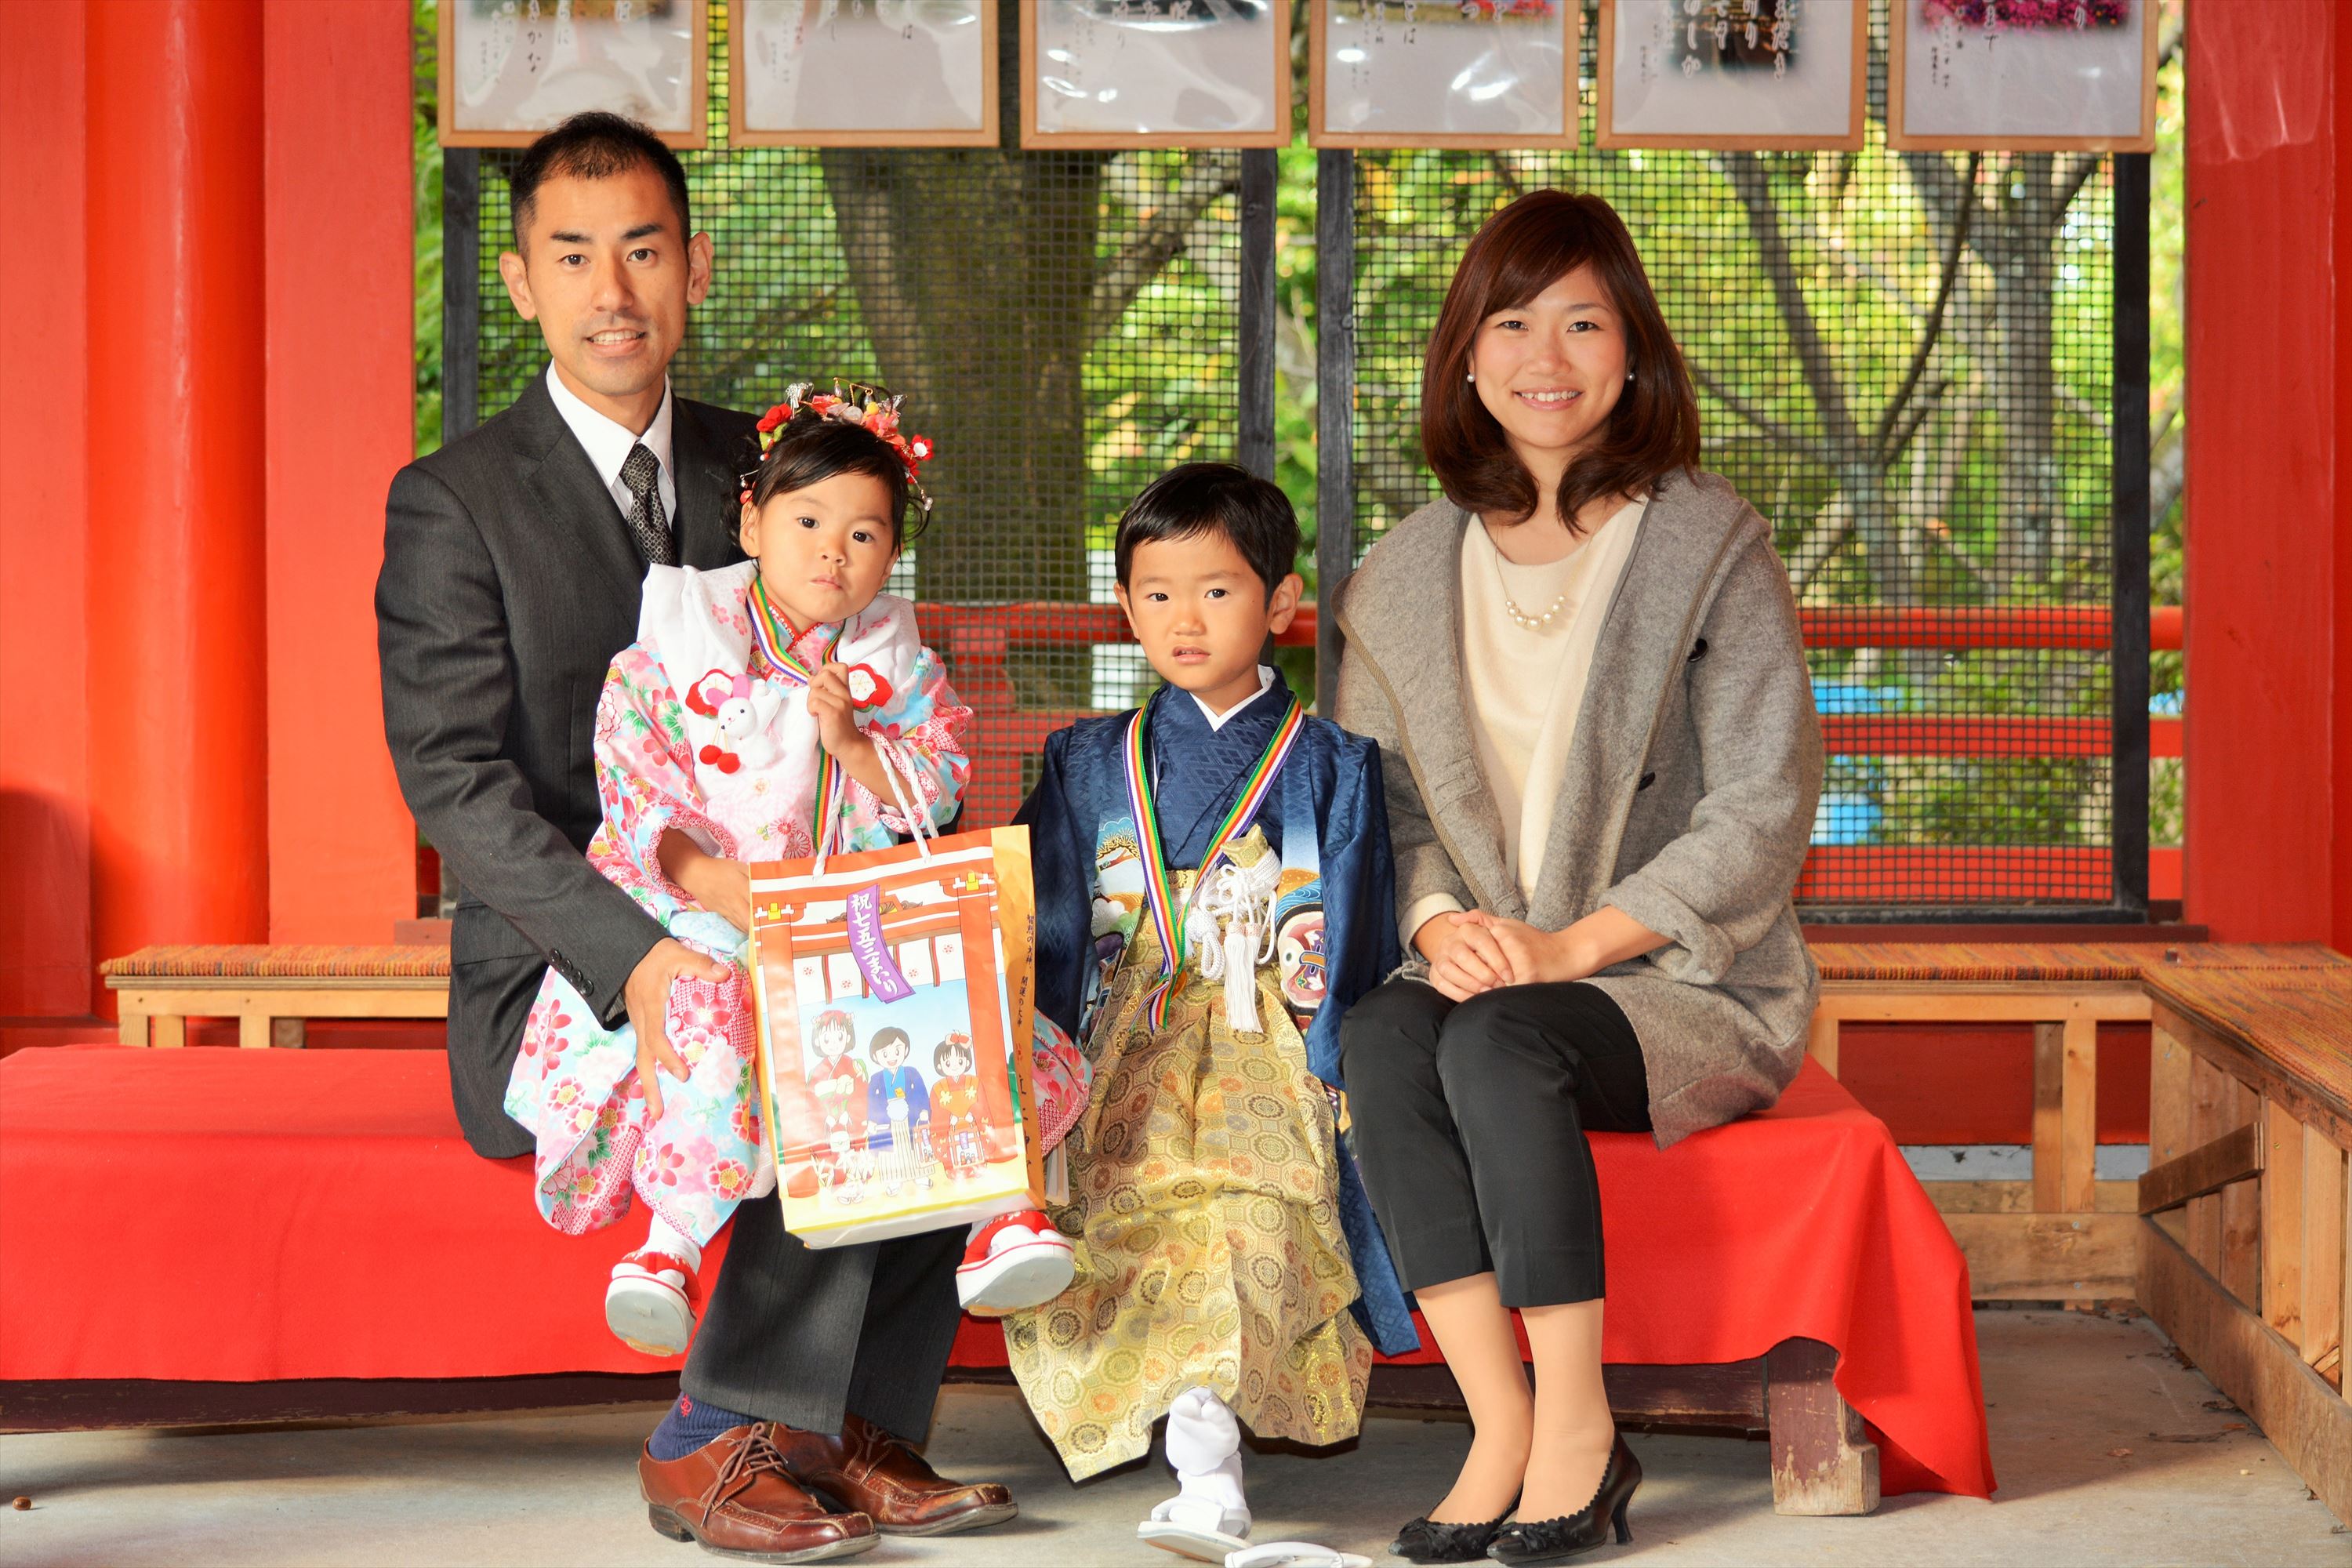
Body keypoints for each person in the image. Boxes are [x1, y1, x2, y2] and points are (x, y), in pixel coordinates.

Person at [378, 114, 1021, 1563]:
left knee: (936, 1002)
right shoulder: (456, 501)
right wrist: (645, 955)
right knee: (787, 1008)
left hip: (791, 901)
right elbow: (458, 784)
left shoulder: (787, 463)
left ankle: (853, 1430)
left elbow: (894, 687)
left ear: (696, 268)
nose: (615, 288)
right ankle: (710, 1439)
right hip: (574, 960)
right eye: (574, 255)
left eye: (646, 250)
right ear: (525, 283)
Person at [1333, 189, 1824, 1566]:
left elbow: (1763, 801)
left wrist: (1568, 947)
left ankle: (1581, 1425)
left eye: (1583, 320)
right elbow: (1382, 804)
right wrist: (1437, 919)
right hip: (1487, 961)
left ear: (1632, 351)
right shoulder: (1403, 572)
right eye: (1512, 320)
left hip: (1677, 981)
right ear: (1468, 357)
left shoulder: (1707, 541)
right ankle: (1499, 1419)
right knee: (1384, 1029)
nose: (1546, 354)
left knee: (1496, 1044)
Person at [500, 384, 1078, 1361]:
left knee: (955, 994)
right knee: (705, 1008)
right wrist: (731, 892)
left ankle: (999, 1216)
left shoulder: (897, 664)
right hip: (707, 911)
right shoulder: (677, 643)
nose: (831, 552)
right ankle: (670, 1242)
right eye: (807, 520)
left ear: (892, 552)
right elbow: (643, 799)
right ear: (751, 518)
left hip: (847, 913)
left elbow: (931, 791)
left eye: (864, 534)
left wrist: (852, 744)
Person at [1007, 463, 1419, 1563]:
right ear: (1125, 605)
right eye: (1156, 593)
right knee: (1131, 1209)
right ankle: (1203, 1466)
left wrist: (1334, 1063)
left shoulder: (1333, 764)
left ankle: (1209, 1473)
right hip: (1121, 1037)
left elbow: (1355, 925)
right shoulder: (1088, 759)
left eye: (1218, 590)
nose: (1184, 619)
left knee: (1242, 1213)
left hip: (1264, 1036)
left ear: (1281, 605)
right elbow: (1045, 921)